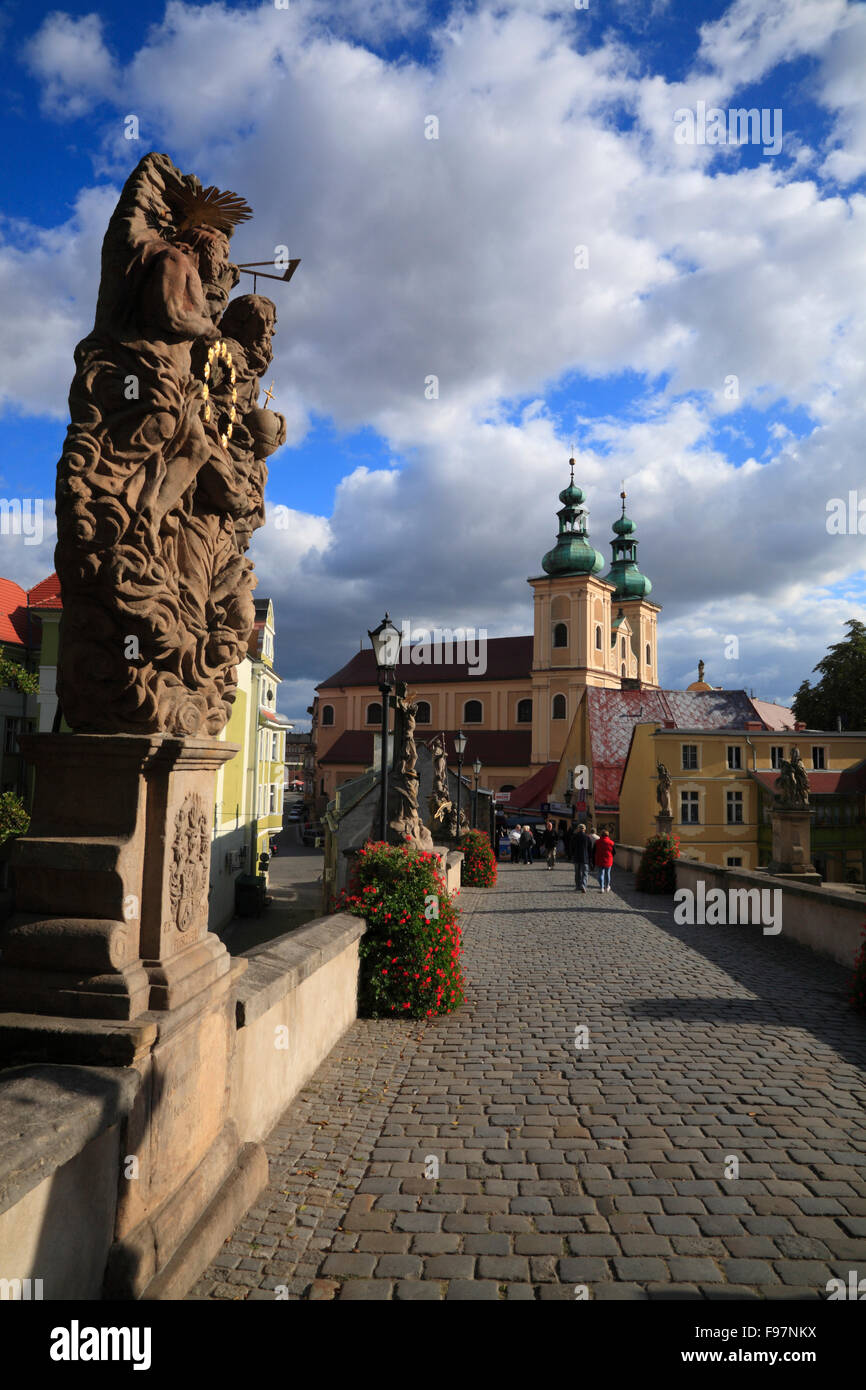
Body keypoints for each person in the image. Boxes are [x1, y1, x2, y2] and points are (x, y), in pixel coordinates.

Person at [572, 823, 593, 893]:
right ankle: (583, 886)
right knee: (585, 873)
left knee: (577, 873)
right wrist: (590, 858)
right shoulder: (587, 837)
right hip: (585, 858)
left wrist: (571, 856)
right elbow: (590, 849)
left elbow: (571, 847)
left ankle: (578, 886)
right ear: (585, 829)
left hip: (576, 858)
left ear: (578, 829)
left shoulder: (574, 837)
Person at [594, 827, 615, 892]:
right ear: (608, 835)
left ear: (601, 835)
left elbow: (594, 851)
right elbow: (614, 852)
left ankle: (601, 887)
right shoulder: (611, 843)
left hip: (600, 859)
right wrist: (611, 856)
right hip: (608, 860)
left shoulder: (597, 842)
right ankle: (607, 886)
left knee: (600, 874)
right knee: (607, 873)